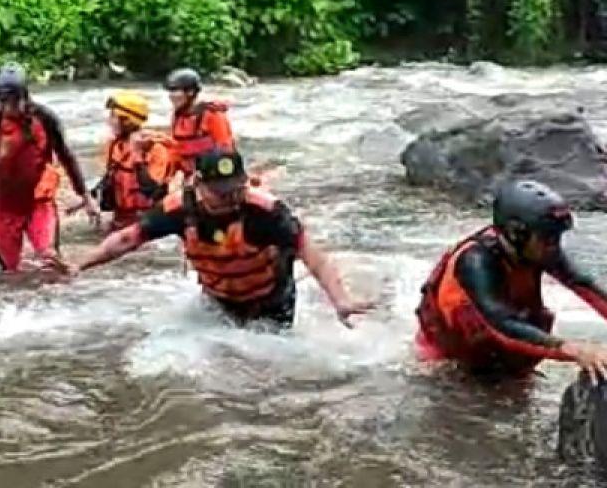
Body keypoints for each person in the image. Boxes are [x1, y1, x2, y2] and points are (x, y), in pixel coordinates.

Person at [48, 148, 374, 328]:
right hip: (219, 298)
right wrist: (81, 265)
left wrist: (340, 300)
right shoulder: (177, 209)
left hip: (271, 299)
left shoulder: (265, 210)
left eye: (235, 189)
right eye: (220, 193)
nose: (230, 199)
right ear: (198, 184)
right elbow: (127, 240)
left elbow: (311, 254)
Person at [415, 180, 607, 381]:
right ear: (517, 234)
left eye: (556, 238)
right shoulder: (475, 261)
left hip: (499, 346)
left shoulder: (538, 250)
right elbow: (501, 323)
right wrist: (574, 350)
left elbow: (584, 286)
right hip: (450, 354)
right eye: (548, 239)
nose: (555, 247)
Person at [0, 62, 98, 272]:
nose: (9, 107)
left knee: (50, 260)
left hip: (37, 203)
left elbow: (66, 156)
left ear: (25, 95)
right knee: (10, 272)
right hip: (0, 207)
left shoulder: (44, 119)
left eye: (14, 101)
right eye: (3, 102)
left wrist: (86, 197)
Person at [92, 91, 175, 233]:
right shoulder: (113, 145)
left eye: (114, 116)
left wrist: (137, 155)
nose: (109, 121)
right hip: (120, 219)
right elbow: (109, 178)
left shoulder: (156, 149)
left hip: (148, 222)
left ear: (127, 121)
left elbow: (151, 190)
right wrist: (87, 198)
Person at [164, 68, 235, 176]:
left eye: (175, 90)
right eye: (170, 91)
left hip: (212, 174)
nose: (171, 96)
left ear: (190, 92)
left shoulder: (213, 114)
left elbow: (225, 149)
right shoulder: (177, 115)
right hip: (186, 174)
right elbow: (176, 149)